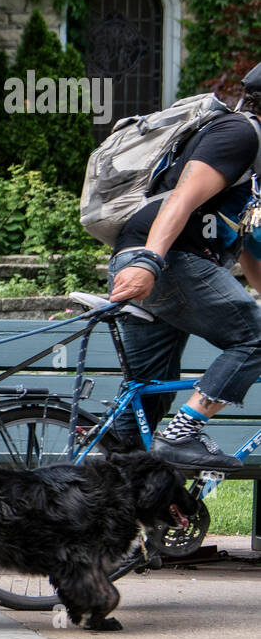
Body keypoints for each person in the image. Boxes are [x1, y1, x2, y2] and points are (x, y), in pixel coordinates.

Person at [107, 62, 261, 470]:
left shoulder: (253, 153)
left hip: (161, 263)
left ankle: (94, 501)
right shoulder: (239, 133)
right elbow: (181, 199)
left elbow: (240, 239)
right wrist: (149, 261)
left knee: (148, 401)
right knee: (256, 338)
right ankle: (184, 432)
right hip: (167, 261)